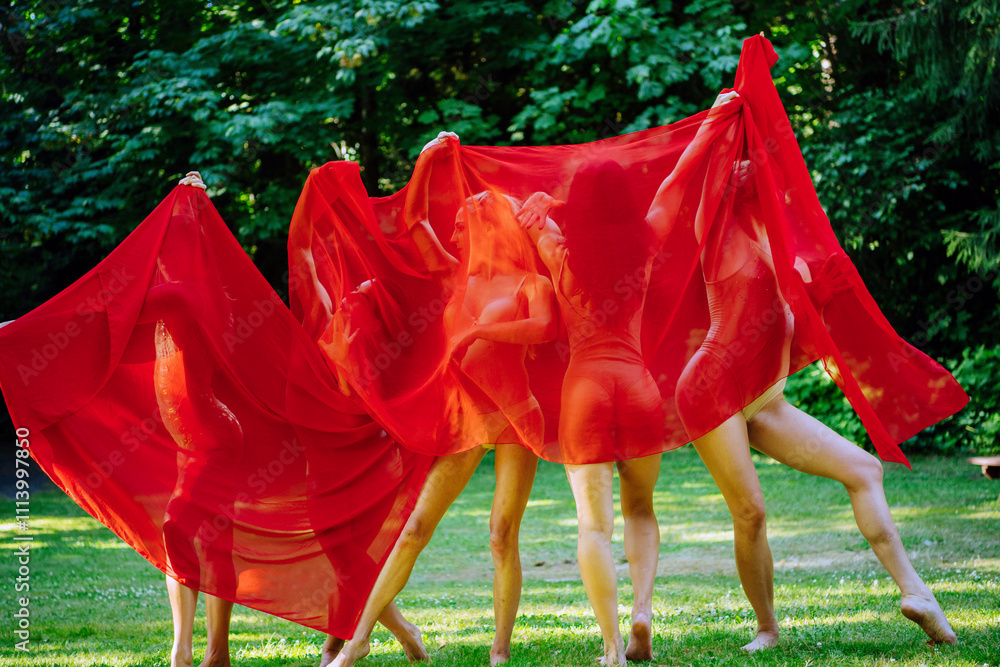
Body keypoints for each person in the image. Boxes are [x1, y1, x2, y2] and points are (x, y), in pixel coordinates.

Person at [671, 149, 958, 650]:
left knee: (864, 470)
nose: (745, 172)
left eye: (749, 168)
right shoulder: (723, 237)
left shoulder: (783, 255)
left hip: (765, 400)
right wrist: (718, 129)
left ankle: (918, 594)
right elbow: (697, 196)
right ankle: (767, 629)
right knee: (751, 511)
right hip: (711, 390)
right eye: (739, 170)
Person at [328, 140, 557, 666]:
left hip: (517, 416)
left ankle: (499, 653)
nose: (453, 229)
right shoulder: (459, 274)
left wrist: (480, 330)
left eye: (462, 223)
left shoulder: (531, 282)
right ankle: (359, 640)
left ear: (488, 227)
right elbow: (412, 223)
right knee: (415, 526)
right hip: (468, 416)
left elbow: (545, 329)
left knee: (502, 534)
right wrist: (428, 158)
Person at [155, 171, 238, 667]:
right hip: (199, 440)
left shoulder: (182, 296)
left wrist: (20, 332)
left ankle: (184, 653)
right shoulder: (182, 295)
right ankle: (213, 653)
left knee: (177, 529)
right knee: (213, 539)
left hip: (216, 439)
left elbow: (100, 312)